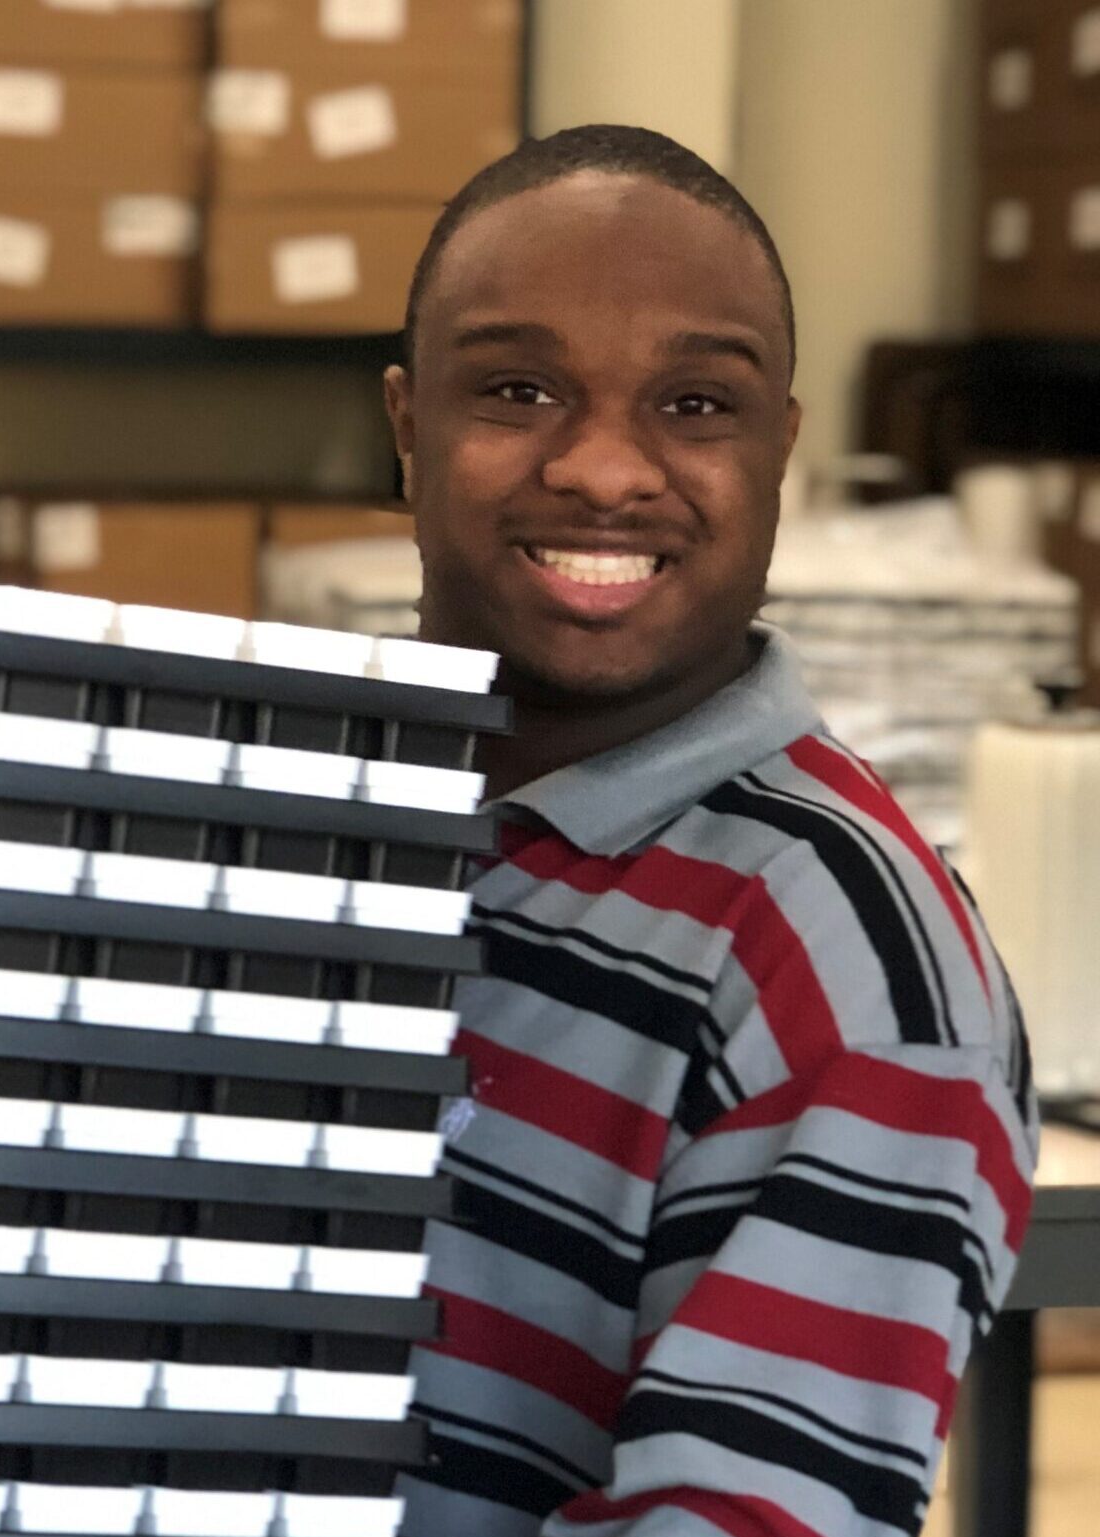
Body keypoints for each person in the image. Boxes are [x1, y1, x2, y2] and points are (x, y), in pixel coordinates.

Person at [383, 125, 1038, 1537]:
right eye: (516, 387)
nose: (608, 470)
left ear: (781, 450)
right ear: (405, 427)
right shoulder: (309, 816)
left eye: (694, 404)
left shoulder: (854, 973)